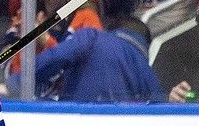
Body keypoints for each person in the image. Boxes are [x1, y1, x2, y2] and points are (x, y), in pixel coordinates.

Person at [7, 0, 102, 97]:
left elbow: (89, 72)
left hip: (74, 105)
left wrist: (44, 40)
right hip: (34, 105)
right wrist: (30, 44)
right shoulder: (26, 15)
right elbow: (15, 76)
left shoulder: (86, 17)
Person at [8, 16, 164, 102]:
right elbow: (160, 111)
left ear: (112, 29)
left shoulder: (94, 36)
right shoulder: (148, 72)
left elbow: (58, 57)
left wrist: (15, 84)